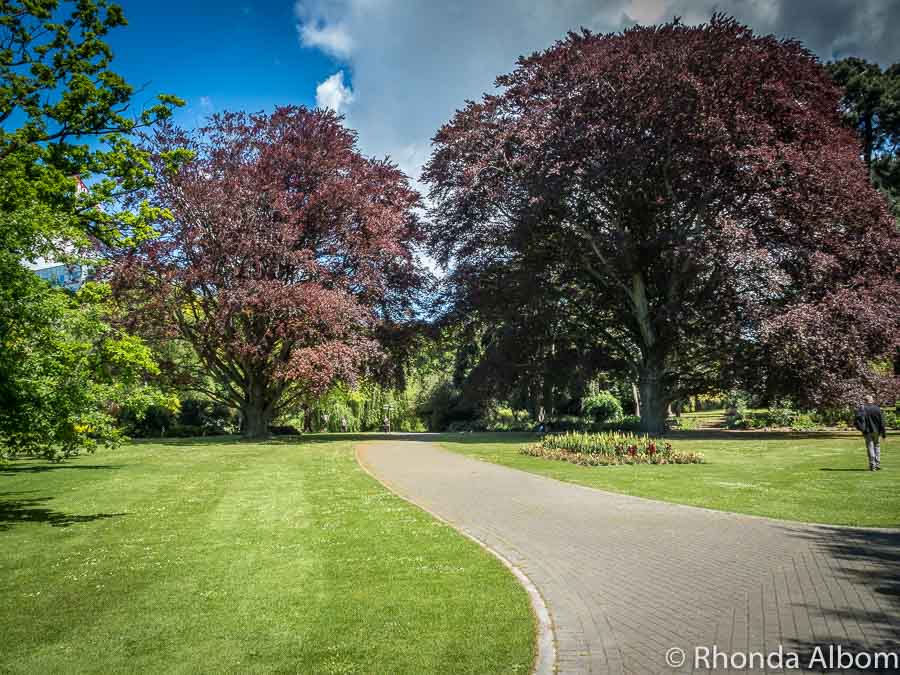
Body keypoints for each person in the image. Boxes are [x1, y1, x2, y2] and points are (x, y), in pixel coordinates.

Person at [854, 396, 886, 471]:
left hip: (867, 431)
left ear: (865, 401)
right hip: (876, 431)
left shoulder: (862, 409)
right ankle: (877, 464)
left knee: (870, 447)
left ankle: (872, 465)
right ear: (872, 400)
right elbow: (882, 422)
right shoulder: (877, 409)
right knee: (877, 446)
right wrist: (883, 433)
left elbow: (856, 420)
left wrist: (861, 429)